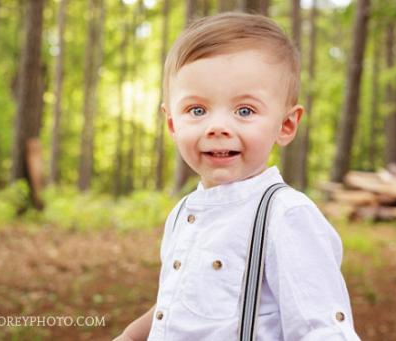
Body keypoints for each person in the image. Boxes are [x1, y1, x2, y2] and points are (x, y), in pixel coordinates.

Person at [115, 12, 360, 340]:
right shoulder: (183, 214)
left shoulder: (285, 215)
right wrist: (133, 334)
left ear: (285, 125)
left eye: (245, 111)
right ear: (172, 123)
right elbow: (183, 300)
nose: (217, 127)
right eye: (197, 110)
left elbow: (324, 329)